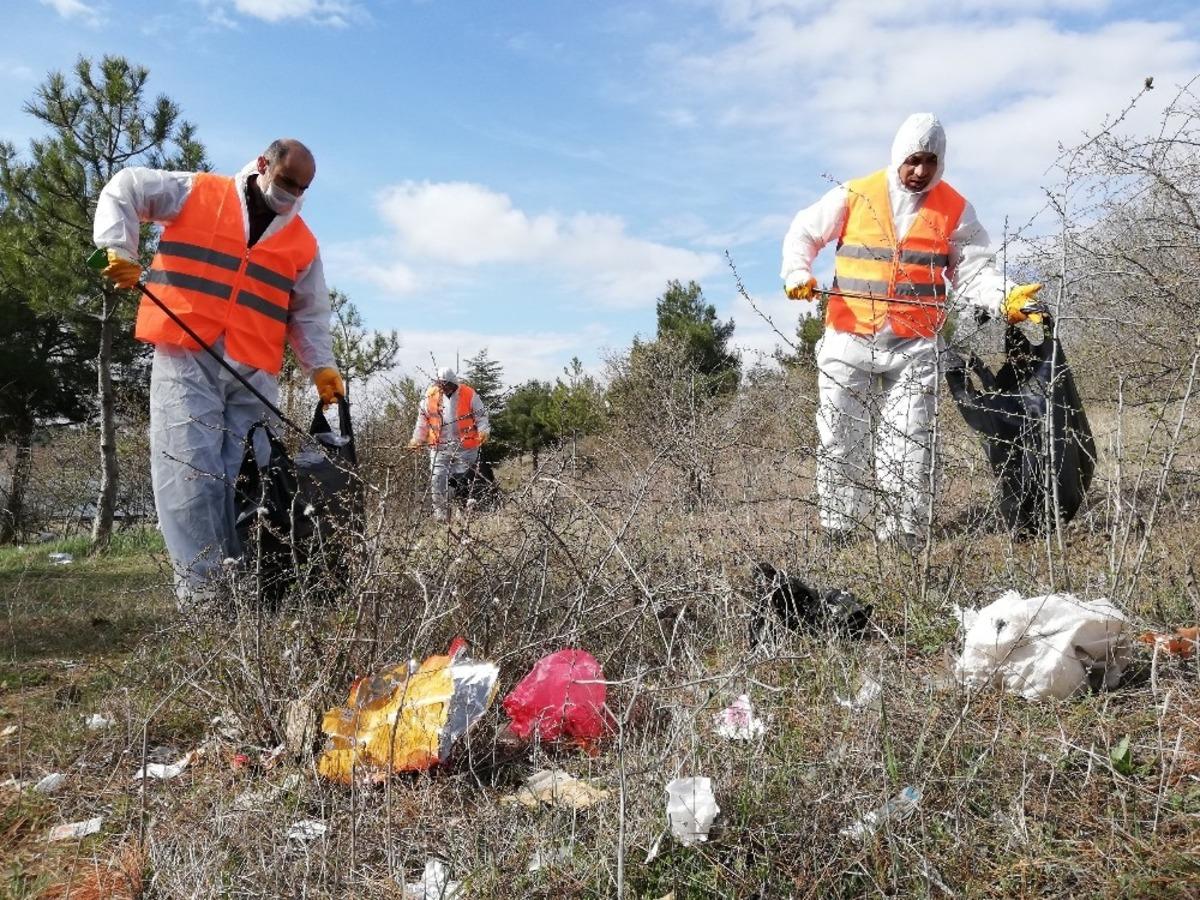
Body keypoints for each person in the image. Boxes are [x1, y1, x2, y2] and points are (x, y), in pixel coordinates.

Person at [93, 138, 344, 603]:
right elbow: (125, 186)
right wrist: (117, 248)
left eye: (302, 188)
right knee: (190, 474)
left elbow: (309, 313)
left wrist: (321, 367)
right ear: (264, 164)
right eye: (287, 182)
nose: (292, 195)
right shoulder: (199, 193)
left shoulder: (302, 241)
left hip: (254, 371)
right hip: (188, 352)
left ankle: (254, 585)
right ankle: (207, 600)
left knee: (254, 476)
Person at [780, 113, 1044, 547]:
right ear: (898, 155)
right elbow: (804, 232)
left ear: (941, 163)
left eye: (930, 162)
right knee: (840, 435)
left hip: (914, 344)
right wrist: (796, 273)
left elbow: (975, 270)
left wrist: (1006, 297)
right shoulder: (855, 195)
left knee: (910, 439)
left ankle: (903, 532)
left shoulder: (955, 208)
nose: (920, 171)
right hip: (848, 337)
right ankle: (841, 529)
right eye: (913, 160)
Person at [409, 367, 491, 522]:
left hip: (466, 447)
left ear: (454, 383)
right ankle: (441, 516)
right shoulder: (430, 397)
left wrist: (484, 431)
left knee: (462, 480)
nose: (444, 388)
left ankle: (464, 512)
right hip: (440, 447)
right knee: (437, 479)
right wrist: (417, 439)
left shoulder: (468, 394)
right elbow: (422, 421)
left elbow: (481, 417)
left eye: (447, 384)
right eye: (441, 384)